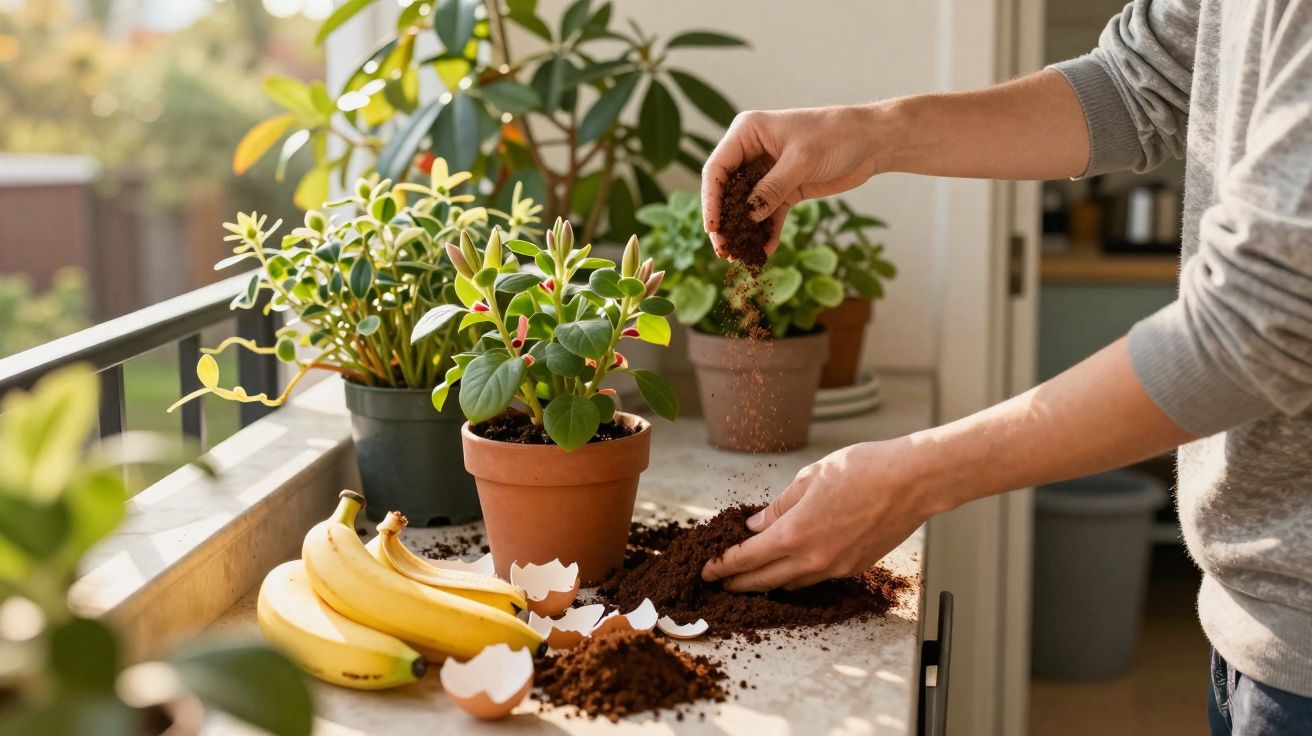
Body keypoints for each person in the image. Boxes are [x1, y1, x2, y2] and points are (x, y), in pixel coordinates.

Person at [697, 1, 1312, 732]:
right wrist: (871, 133)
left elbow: (1265, 318)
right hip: (1255, 622)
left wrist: (912, 478)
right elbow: (1138, 83)